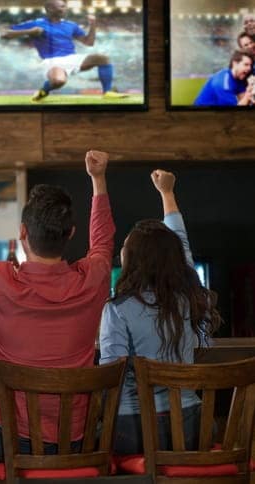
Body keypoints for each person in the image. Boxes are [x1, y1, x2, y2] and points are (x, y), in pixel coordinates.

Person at [0, 148, 114, 462]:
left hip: (11, 441)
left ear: (23, 234)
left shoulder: (0, 284)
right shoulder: (93, 280)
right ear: (70, 233)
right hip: (79, 442)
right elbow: (104, 242)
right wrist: (98, 179)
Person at [99, 170, 222, 454]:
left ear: (129, 259)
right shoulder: (190, 299)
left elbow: (109, 378)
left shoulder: (117, 310)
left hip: (135, 431)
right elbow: (183, 247)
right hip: (194, 427)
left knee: (92, 436)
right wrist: (168, 194)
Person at [2, 0, 127, 102]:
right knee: (59, 81)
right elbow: (5, 34)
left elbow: (89, 43)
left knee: (102, 58)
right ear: (50, 9)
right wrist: (31, 31)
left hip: (72, 58)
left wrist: (93, 25)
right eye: (62, 6)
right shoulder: (36, 23)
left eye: (65, 6)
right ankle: (44, 91)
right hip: (52, 61)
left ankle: (107, 92)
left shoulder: (70, 25)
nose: (65, 8)